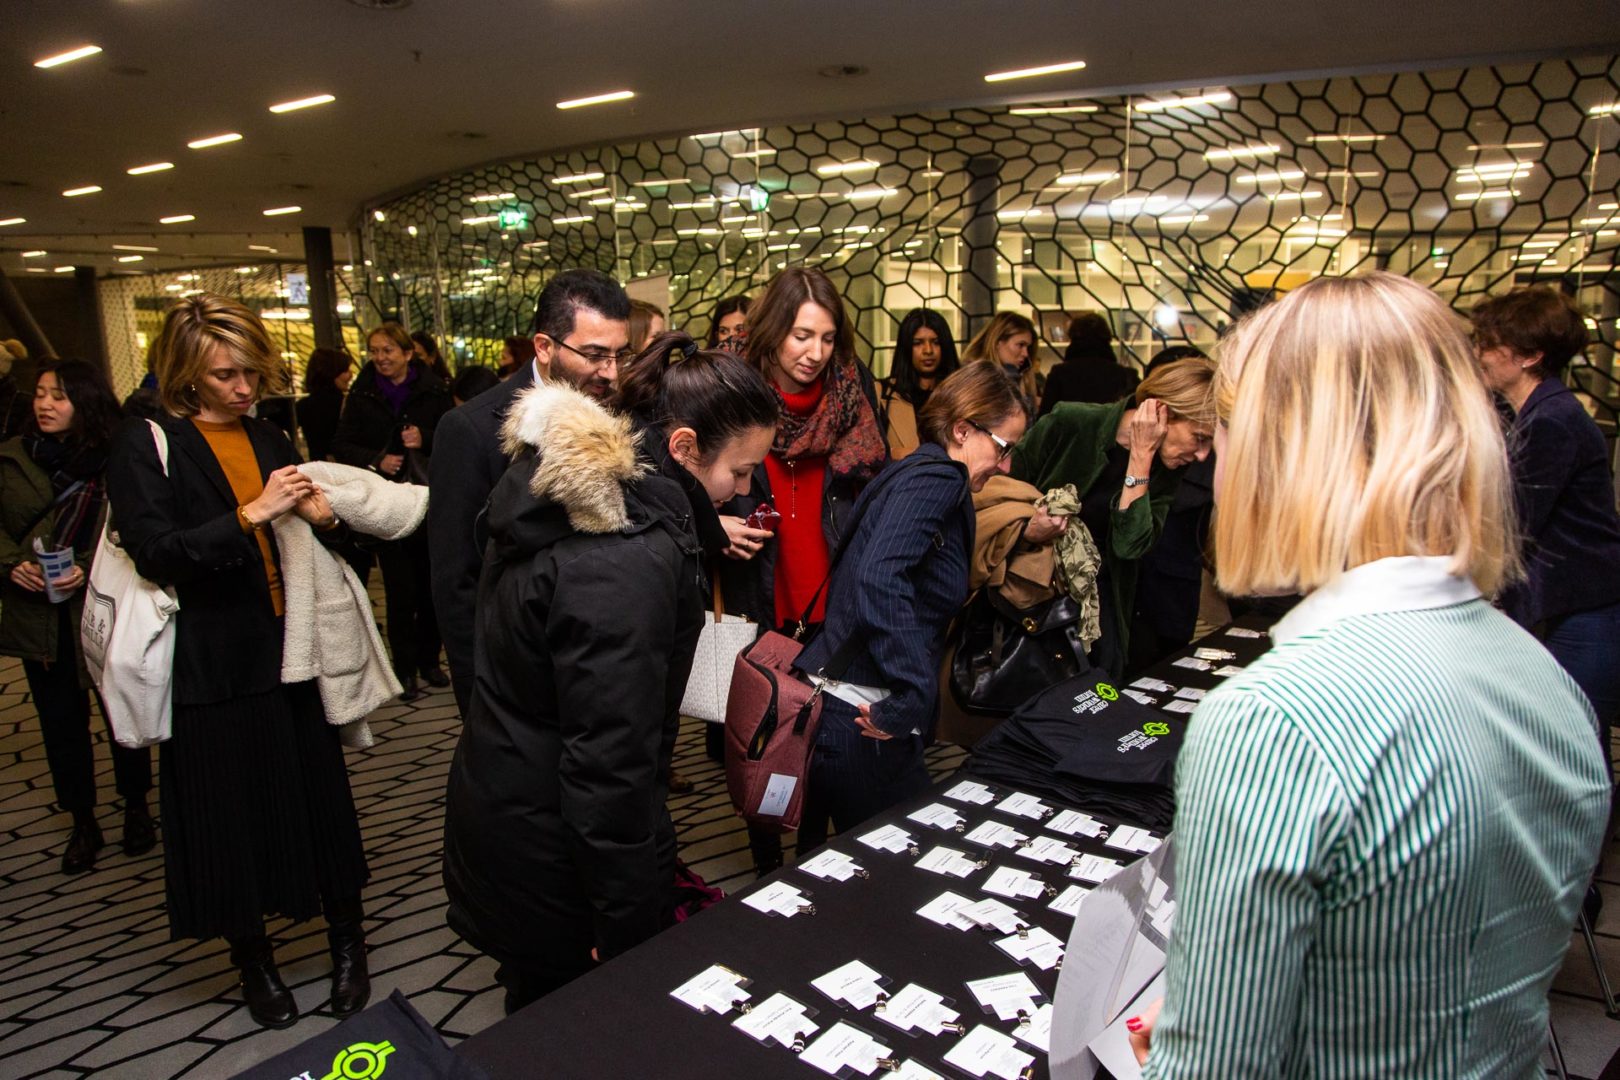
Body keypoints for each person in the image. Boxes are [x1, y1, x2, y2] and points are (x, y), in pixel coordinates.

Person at [1129, 272, 1610, 1078]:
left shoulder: (1273, 720)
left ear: (1283, 455)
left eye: (1230, 434)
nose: (1216, 461)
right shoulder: (1545, 679)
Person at [105, 296, 370, 1030]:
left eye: (251, 371)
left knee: (319, 802)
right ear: (187, 371)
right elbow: (156, 552)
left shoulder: (266, 433)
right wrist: (250, 514)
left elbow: (319, 543)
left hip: (290, 649)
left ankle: (349, 942)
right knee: (227, 818)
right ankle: (253, 959)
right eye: (226, 374)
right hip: (210, 663)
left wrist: (327, 519)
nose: (244, 387)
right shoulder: (147, 442)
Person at [442, 374, 716, 1014]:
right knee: (578, 1022)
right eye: (741, 470)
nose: (742, 490)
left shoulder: (536, 505)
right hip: (556, 848)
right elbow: (608, 768)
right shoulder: (615, 564)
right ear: (683, 450)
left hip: (503, 804)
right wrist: (625, 924)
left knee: (532, 1000)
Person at [795, 363, 1028, 851]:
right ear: (962, 429)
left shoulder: (914, 469)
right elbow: (880, 577)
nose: (1006, 466)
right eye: (1003, 448)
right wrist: (912, 692)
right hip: (864, 712)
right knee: (906, 861)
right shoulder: (939, 478)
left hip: (845, 703)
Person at [429, 269, 631, 717]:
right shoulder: (470, 429)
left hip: (602, 662)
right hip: (517, 673)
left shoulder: (619, 409)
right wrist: (477, 698)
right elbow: (456, 579)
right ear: (544, 346)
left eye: (620, 354)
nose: (611, 372)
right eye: (595, 355)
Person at [1, 360, 153, 874]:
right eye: (40, 393)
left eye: (59, 396)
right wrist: (12, 564)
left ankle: (137, 805)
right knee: (61, 724)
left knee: (120, 710)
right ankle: (82, 822)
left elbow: (132, 527)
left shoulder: (116, 457)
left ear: (84, 402)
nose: (45, 404)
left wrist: (86, 566)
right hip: (38, 617)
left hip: (102, 607)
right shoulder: (12, 457)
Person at [1472, 286, 1620, 739]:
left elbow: (1513, 522)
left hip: (1584, 612)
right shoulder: (1532, 413)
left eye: (1489, 345)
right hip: (1568, 607)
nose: (1478, 354)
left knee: (1572, 741)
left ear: (1530, 356)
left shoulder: (1552, 420)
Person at [1010, 357, 1215, 677]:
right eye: (1199, 437)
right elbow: (1004, 490)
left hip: (1104, 613)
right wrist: (1028, 528)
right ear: (1162, 412)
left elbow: (1129, 545)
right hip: (1033, 600)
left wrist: (1141, 457)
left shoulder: (1167, 468)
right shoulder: (1072, 423)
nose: (1202, 455)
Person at [332, 322, 452, 699]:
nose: (380, 358)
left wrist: (424, 438)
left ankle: (430, 660)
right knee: (400, 591)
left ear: (407, 353)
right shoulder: (362, 394)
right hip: (384, 503)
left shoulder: (434, 390)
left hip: (427, 500)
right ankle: (403, 669)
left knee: (432, 587)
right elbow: (342, 444)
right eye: (374, 351)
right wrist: (376, 460)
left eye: (387, 350)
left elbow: (453, 438)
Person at [1129, 346, 1215, 669]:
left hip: (1173, 604)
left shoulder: (1200, 463)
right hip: (1127, 608)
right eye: (1198, 437)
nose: (1202, 452)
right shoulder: (1113, 446)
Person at [880, 308, 959, 457]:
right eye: (918, 343)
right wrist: (899, 454)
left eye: (936, 342)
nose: (928, 350)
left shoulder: (962, 394)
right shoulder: (882, 393)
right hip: (903, 471)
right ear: (906, 347)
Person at [1037, 312, 1138, 415]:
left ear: (1073, 338)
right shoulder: (1124, 375)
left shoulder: (1059, 373)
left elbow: (1045, 418)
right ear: (1107, 338)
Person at [962, 311, 1038, 409]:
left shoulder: (1024, 379)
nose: (1025, 354)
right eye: (1020, 345)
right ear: (998, 342)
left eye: (1028, 347)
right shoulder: (970, 380)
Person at [296, 346, 352, 463]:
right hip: (346, 468)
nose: (350, 375)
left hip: (318, 468)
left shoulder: (302, 406)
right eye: (345, 370)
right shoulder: (350, 403)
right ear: (331, 373)